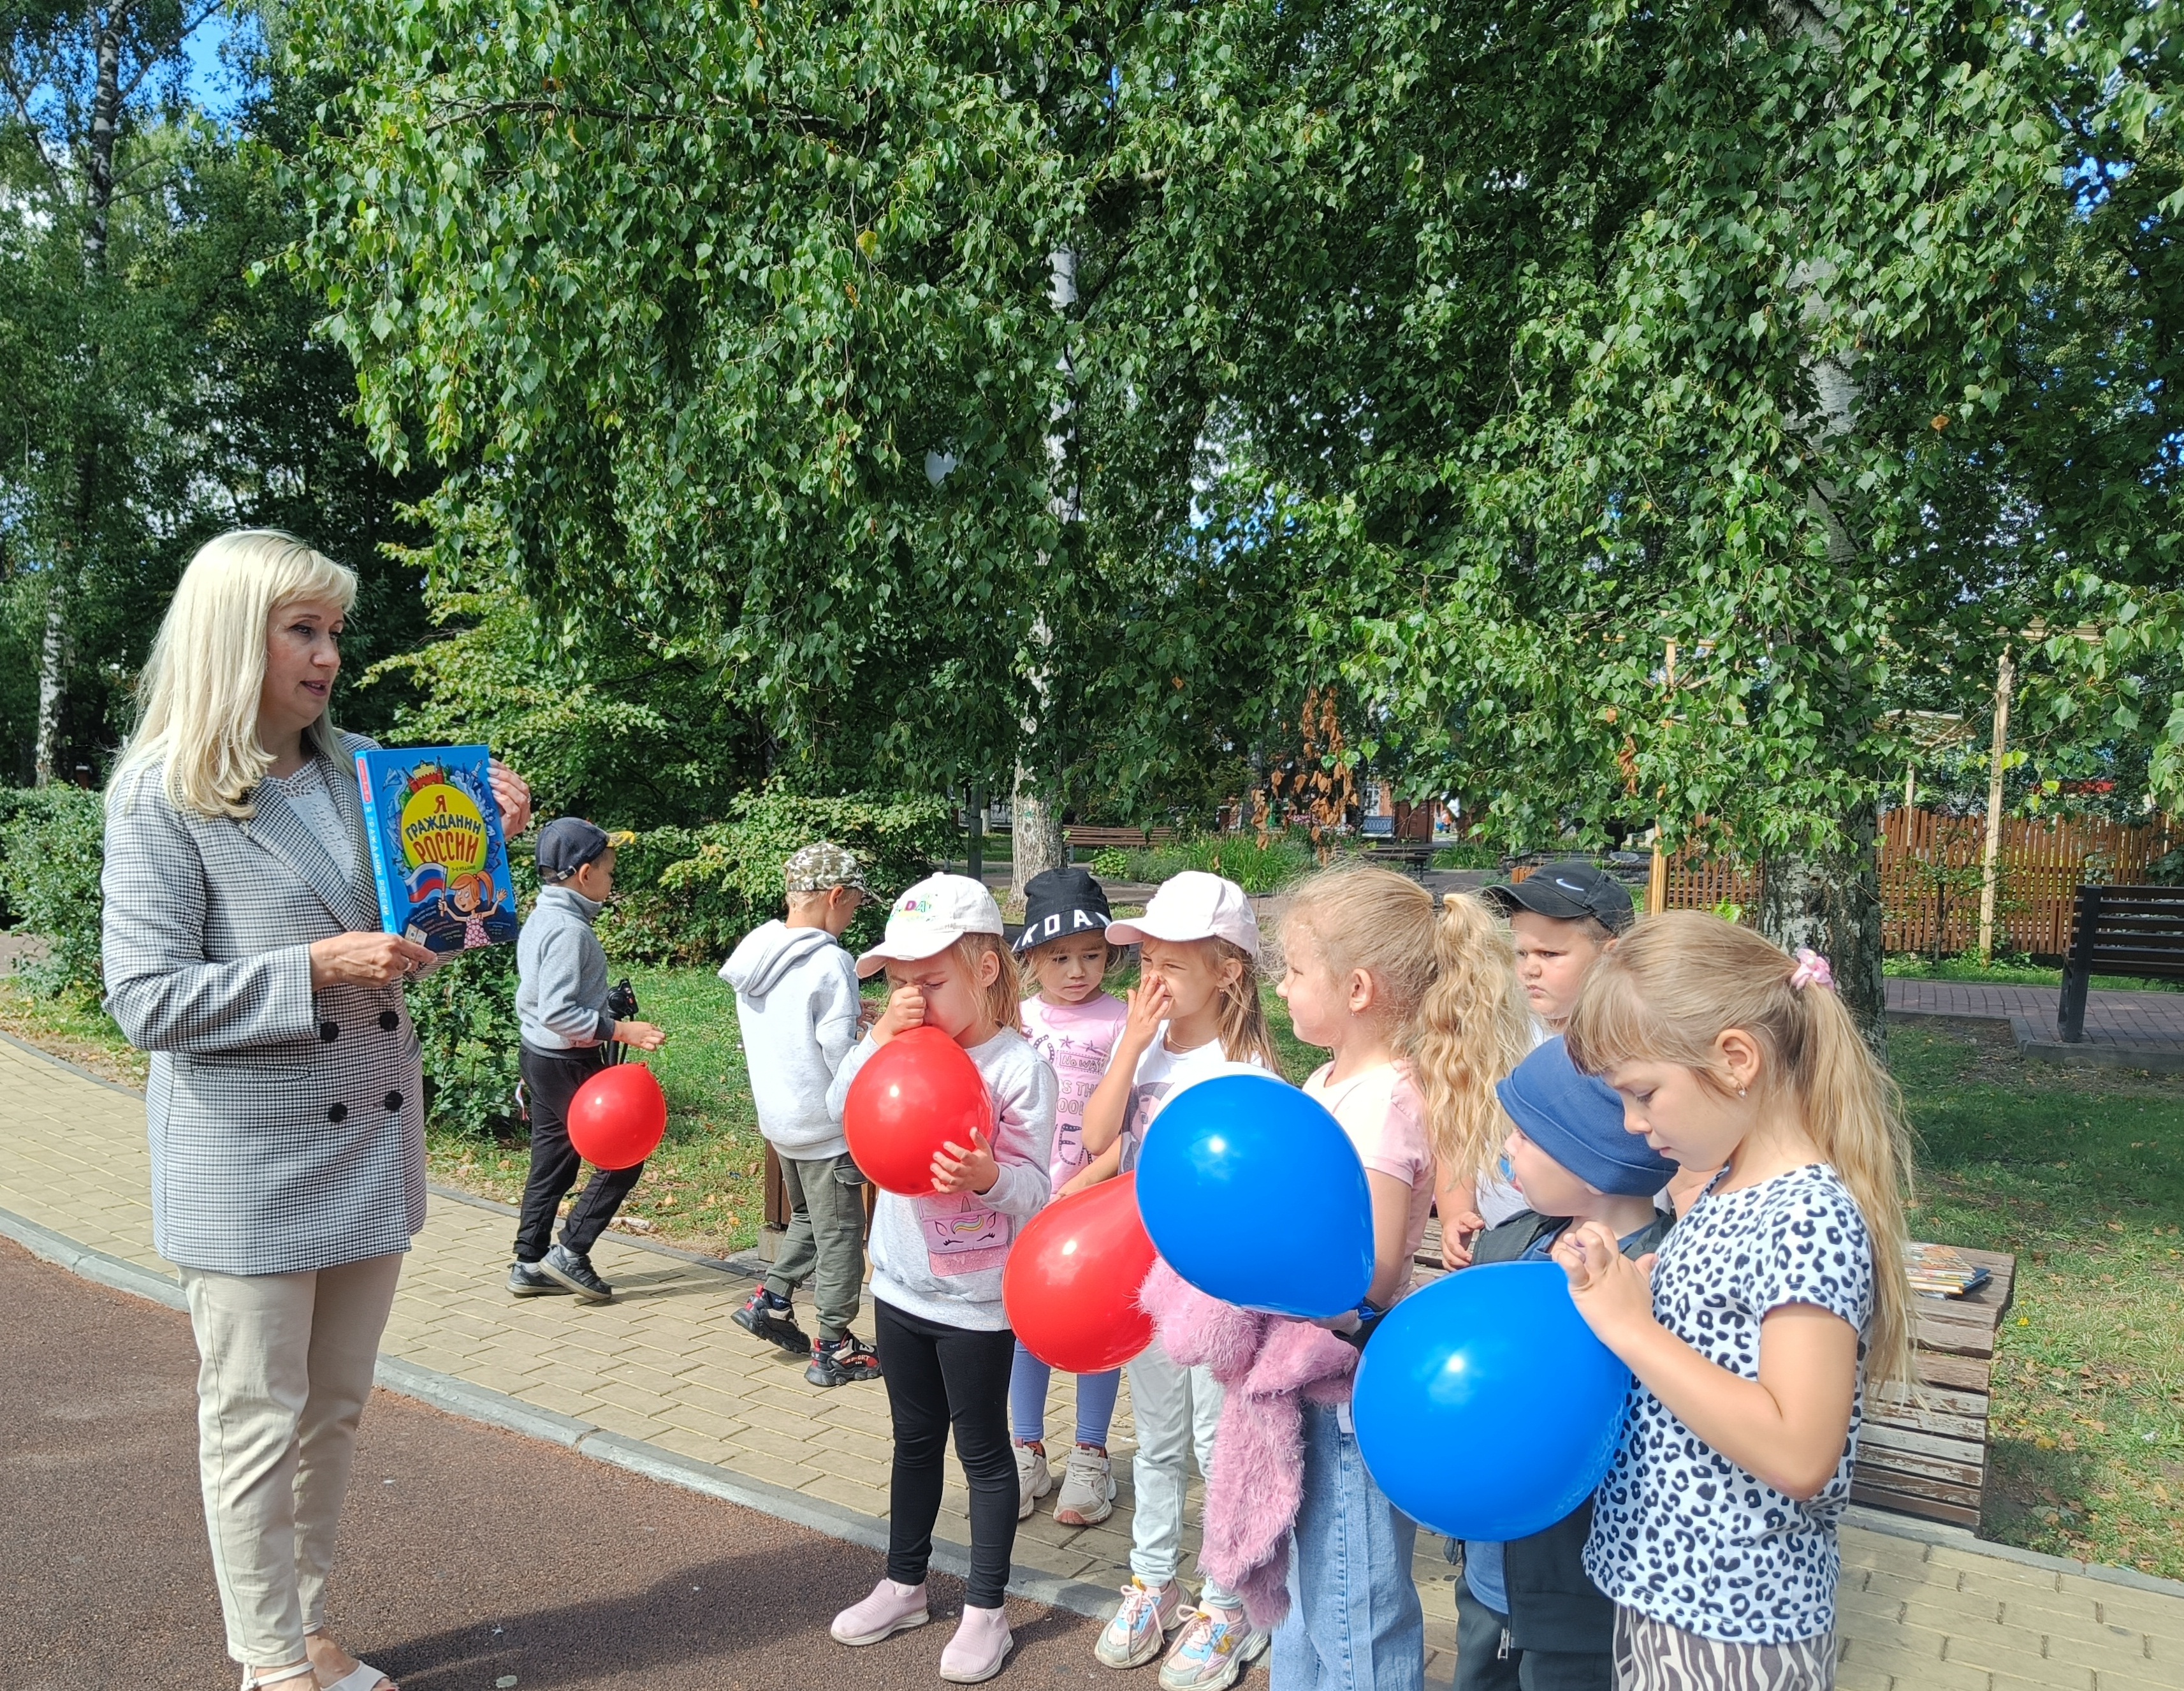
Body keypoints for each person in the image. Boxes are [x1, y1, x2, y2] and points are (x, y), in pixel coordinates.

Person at [101, 530, 533, 1691]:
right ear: (231, 636)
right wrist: (311, 968)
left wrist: (479, 860)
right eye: (303, 630)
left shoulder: (371, 772)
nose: (330, 655)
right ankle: (269, 1662)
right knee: (254, 1419)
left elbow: (420, 940)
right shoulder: (161, 790)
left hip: (366, 1141)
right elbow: (142, 999)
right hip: (246, 1160)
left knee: (332, 1410)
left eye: (334, 631)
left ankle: (304, 1627)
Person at [1553, 914, 1914, 1690]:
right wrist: (1632, 1289)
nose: (1633, 1123)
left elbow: (1800, 1452)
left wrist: (1634, 1329)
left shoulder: (1808, 1215)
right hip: (1670, 1594)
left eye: (1643, 1093)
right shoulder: (1726, 1186)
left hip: (1736, 1621)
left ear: (1736, 1059)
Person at [1266, 867, 1532, 1691]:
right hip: (1306, 1375)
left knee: (1355, 1609)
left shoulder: (1385, 1101)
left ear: (1356, 989)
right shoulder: (1327, 1083)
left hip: (1346, 1391)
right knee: (1306, 1602)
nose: (1280, 986)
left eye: (1294, 970)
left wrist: (1259, 1280)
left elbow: (1373, 1277)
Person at [824, 874, 1058, 1683]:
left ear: (985, 970)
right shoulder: (897, 1043)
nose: (910, 999)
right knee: (913, 1442)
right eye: (898, 983)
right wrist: (875, 1041)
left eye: (929, 982)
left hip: (979, 1304)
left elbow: (1036, 1190)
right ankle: (905, 1585)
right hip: (898, 1286)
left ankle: (987, 1611)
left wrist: (989, 1177)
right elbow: (841, 1110)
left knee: (985, 1454)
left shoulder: (1019, 1068)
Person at [1077, 870, 1281, 1689]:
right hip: (1146, 1282)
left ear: (1227, 972)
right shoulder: (1150, 1046)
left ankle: (1228, 1600)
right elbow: (1100, 1136)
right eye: (1147, 961)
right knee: (1158, 1442)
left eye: (1171, 963)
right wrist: (1130, 1045)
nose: (1150, 978)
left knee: (1215, 1445)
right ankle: (1153, 1581)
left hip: (1214, 1293)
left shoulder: (1247, 1071)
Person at [1455, 1038, 1677, 1691]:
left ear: (1590, 1163)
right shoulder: (1509, 1243)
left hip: (1580, 1602)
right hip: (1487, 1577)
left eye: (1525, 1136)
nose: (1507, 1147)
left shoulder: (1656, 1280)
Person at [722, 840, 881, 1386]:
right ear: (835, 896)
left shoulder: (756, 954)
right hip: (825, 1127)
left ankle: (771, 1300)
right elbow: (837, 1054)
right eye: (853, 904)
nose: (852, 916)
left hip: (782, 1124)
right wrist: (874, 1042)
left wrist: (854, 1020)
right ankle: (835, 1345)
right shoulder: (831, 960)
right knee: (842, 1235)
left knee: (812, 1220)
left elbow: (791, 1030)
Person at [1010, 867, 1130, 1525]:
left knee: (1096, 1327)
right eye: (1059, 958)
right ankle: (1026, 1450)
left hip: (1095, 1210)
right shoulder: (1018, 1022)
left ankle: (1090, 1454)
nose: (1078, 971)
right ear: (1031, 958)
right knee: (1026, 1326)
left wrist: (1086, 1187)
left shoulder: (1123, 1023)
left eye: (1091, 955)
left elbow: (1131, 1127)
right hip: (1027, 1204)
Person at [509, 818, 667, 1304]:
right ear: (584, 873)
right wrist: (620, 1030)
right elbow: (558, 1012)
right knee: (624, 1153)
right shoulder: (568, 930)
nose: (611, 880)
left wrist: (601, 1008)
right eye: (609, 871)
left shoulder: (544, 915)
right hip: (567, 1061)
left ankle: (529, 1262)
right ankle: (571, 1252)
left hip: (540, 1056)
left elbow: (548, 1000)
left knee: (554, 1159)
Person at [1454, 860, 1640, 1246]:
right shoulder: (1507, 1033)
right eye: (1521, 953)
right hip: (1506, 1240)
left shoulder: (1634, 1054)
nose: (1529, 970)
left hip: (1604, 1251)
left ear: (1611, 956)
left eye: (1550, 954)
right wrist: (1459, 1209)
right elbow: (1466, 1128)